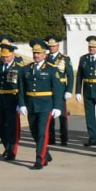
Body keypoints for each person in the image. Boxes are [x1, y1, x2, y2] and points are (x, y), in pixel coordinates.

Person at [18, 39, 64, 170]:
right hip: (31, 104)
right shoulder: (26, 69)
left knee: (42, 132)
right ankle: (46, 152)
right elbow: (21, 87)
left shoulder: (51, 69)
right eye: (34, 53)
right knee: (34, 132)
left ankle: (40, 159)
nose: (36, 56)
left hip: (46, 105)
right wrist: (21, 104)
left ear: (45, 54)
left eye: (39, 53)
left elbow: (58, 89)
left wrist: (57, 106)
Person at [0, 41, 23, 161]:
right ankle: (7, 146)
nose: (5, 59)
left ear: (13, 55)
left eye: (7, 56)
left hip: (13, 99)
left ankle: (12, 151)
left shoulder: (19, 68)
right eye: (3, 56)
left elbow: (23, 87)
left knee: (12, 127)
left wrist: (21, 103)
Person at [45, 35, 73, 146]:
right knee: (50, 114)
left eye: (53, 46)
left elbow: (70, 75)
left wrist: (69, 90)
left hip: (61, 88)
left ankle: (64, 138)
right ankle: (51, 137)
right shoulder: (46, 57)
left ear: (58, 46)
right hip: (48, 88)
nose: (51, 48)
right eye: (50, 46)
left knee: (62, 115)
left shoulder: (64, 58)